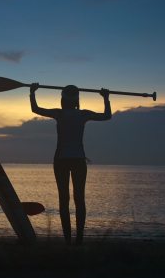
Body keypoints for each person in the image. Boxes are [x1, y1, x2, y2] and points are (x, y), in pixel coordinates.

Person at [30, 83, 111, 245]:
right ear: (76, 101)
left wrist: (32, 93)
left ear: (63, 100)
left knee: (64, 198)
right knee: (79, 198)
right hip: (78, 160)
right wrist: (106, 98)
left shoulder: (59, 114)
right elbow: (106, 116)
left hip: (61, 161)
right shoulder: (83, 114)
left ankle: (68, 239)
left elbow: (35, 109)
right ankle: (79, 238)